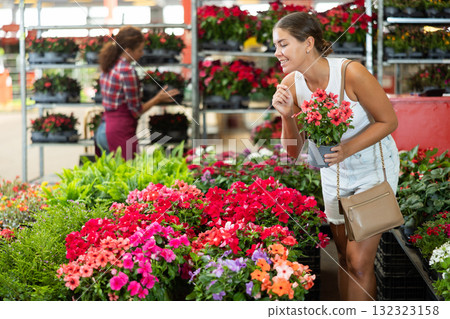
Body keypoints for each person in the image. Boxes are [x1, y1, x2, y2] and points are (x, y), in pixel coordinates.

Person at [271, 12, 400, 301]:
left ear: (308, 43)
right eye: (275, 46)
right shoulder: (292, 84)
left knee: (358, 262)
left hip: (372, 171)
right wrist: (286, 116)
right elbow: (293, 153)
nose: (277, 53)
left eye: (283, 44)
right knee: (343, 256)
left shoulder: (350, 72)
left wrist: (348, 149)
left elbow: (388, 121)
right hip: (333, 174)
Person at [96, 26, 179, 160]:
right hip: (119, 132)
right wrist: (158, 98)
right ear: (128, 51)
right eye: (139, 50)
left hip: (103, 130)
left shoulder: (109, 64)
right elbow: (136, 111)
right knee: (130, 176)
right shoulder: (127, 71)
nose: (142, 54)